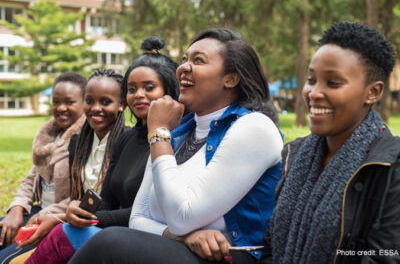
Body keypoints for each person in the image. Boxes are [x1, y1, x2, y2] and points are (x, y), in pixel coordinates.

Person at [69, 28, 283, 264]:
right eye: (184, 60)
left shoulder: (254, 127)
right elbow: (138, 218)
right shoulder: (179, 131)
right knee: (83, 236)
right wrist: (184, 237)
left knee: (109, 243)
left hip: (232, 257)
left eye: (198, 60)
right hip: (177, 249)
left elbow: (183, 216)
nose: (183, 68)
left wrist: (159, 133)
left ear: (230, 78)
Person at [24, 36, 180, 263]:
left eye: (149, 87)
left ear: (170, 90)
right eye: (131, 88)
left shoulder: (170, 140)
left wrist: (86, 219)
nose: (138, 95)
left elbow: (145, 211)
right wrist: (77, 211)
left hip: (150, 238)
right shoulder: (126, 140)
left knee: (65, 233)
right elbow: (105, 199)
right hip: (112, 231)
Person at [260, 22, 400, 264]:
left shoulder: (391, 166)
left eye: (333, 83)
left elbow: (384, 257)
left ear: (373, 92)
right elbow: (271, 246)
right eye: (311, 79)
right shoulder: (294, 154)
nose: (313, 93)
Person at [0, 69, 126, 264]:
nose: (95, 108)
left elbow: (89, 201)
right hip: (57, 216)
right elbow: (33, 178)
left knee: (8, 259)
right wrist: (16, 207)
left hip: (80, 224)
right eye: (90, 101)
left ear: (121, 104)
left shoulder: (123, 142)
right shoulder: (79, 141)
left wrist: (55, 218)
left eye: (106, 102)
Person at [0, 72, 87, 261]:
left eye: (69, 102)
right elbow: (31, 178)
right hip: (36, 212)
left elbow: (79, 196)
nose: (60, 108)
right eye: (56, 102)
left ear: (84, 104)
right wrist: (16, 210)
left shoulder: (84, 142)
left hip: (56, 221)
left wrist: (42, 217)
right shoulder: (49, 137)